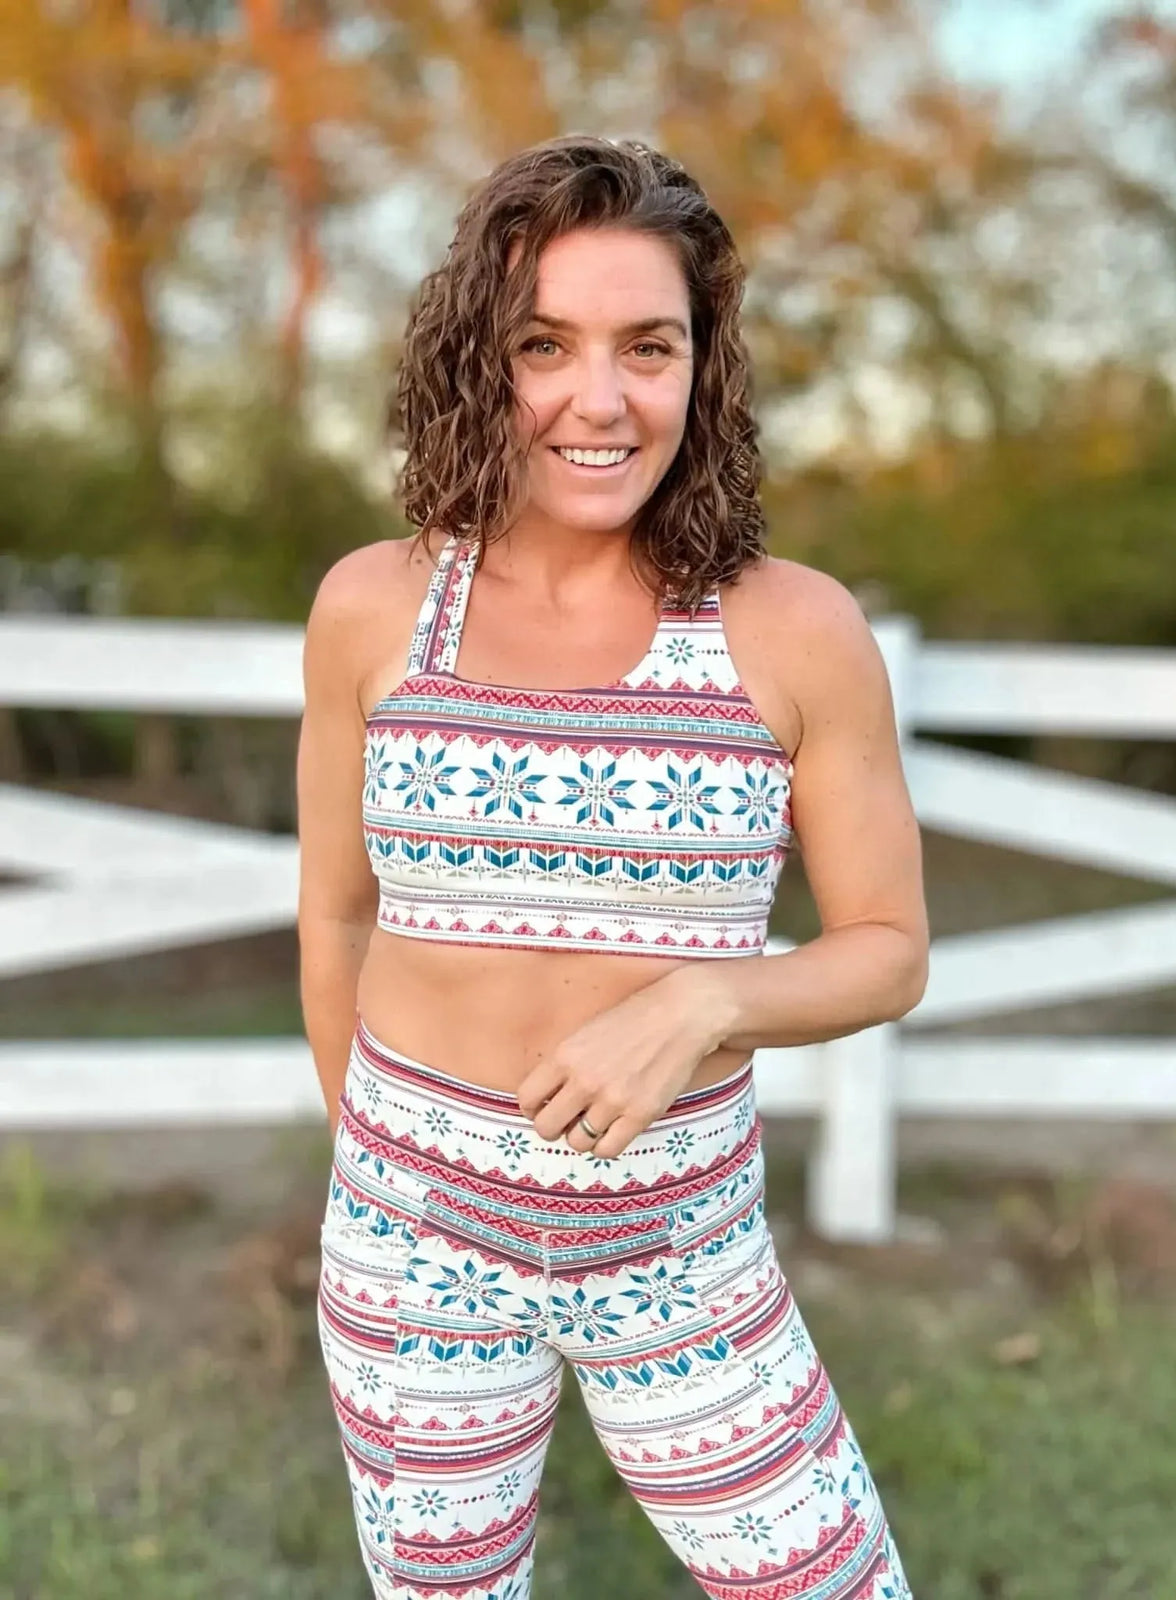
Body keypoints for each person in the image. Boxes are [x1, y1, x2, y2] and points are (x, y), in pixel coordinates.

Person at [297, 133, 927, 1600]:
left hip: (684, 1262)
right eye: (545, 344)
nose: (600, 397)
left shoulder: (789, 629)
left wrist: (704, 1002)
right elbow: (334, 917)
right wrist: (388, 1175)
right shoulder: (374, 609)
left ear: (703, 368)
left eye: (649, 345)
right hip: (411, 1251)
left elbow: (888, 945)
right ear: (480, 360)